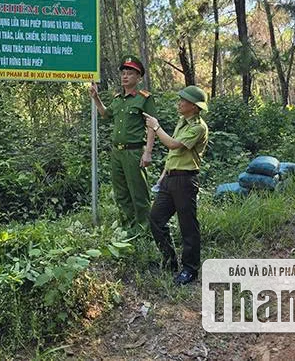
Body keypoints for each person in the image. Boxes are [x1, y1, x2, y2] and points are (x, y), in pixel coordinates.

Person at [142, 85, 209, 285]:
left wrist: (156, 126)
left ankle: (190, 269)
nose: (179, 103)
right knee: (156, 218)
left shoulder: (198, 127)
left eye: (184, 101)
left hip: (185, 180)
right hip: (170, 178)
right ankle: (170, 260)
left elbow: (172, 145)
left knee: (188, 225)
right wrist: (164, 175)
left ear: (195, 107)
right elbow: (173, 155)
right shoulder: (182, 121)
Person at [88, 55, 156, 229]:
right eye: (123, 73)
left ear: (139, 78)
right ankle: (128, 227)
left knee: (138, 192)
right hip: (117, 153)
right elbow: (105, 114)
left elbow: (151, 126)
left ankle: (144, 228)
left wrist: (147, 152)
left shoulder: (144, 98)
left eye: (130, 73)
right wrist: (96, 97)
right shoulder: (118, 99)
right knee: (121, 193)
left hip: (134, 152)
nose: (125, 76)